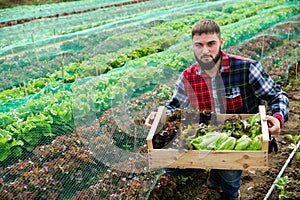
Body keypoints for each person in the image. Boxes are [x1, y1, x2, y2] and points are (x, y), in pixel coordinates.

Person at [145, 19, 289, 200]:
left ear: (221, 42)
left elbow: (278, 96)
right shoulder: (188, 77)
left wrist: (277, 117)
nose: (205, 51)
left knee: (229, 175)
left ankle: (230, 193)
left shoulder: (246, 68)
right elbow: (173, 105)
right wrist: (159, 116)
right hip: (208, 138)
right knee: (172, 166)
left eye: (211, 44)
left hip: (237, 141)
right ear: (192, 46)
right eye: (199, 45)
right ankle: (214, 172)